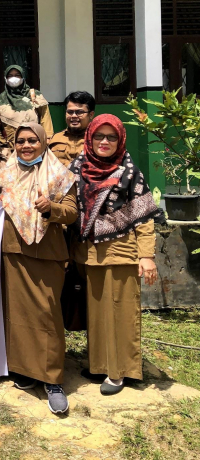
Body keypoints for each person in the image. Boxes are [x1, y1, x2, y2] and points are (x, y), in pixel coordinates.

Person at [69, 115, 163, 396]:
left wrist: (146, 256)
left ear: (120, 140)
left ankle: (119, 371)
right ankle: (98, 365)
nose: (105, 142)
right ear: (90, 137)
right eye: (99, 136)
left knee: (121, 312)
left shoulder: (129, 171)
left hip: (121, 251)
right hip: (86, 253)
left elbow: (144, 217)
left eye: (111, 137)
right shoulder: (78, 167)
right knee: (97, 313)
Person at [0, 123, 77, 415]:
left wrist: (51, 207)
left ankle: (52, 380)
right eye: (21, 141)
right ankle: (25, 369)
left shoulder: (59, 174)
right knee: (17, 314)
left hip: (47, 252)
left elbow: (72, 212)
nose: (26, 146)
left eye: (32, 141)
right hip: (13, 250)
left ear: (43, 142)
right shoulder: (5, 174)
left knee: (47, 315)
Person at [0, 65, 54, 147]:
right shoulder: (0, 99)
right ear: (5, 78)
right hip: (9, 146)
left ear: (23, 77)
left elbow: (45, 117)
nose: (14, 78)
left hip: (33, 144)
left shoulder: (34, 95)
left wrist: (47, 138)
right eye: (10, 76)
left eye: (17, 75)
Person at [48, 91, 95, 166]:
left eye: (79, 112)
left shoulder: (97, 139)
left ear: (91, 115)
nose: (74, 116)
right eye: (70, 112)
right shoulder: (55, 138)